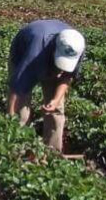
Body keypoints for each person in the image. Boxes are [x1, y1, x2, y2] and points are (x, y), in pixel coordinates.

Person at [7, 19, 85, 152]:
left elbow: (67, 76)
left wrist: (55, 100)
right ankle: (16, 149)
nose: (60, 72)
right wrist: (10, 116)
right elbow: (17, 89)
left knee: (56, 109)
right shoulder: (35, 53)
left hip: (47, 51)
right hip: (24, 52)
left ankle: (53, 152)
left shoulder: (77, 47)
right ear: (55, 49)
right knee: (20, 112)